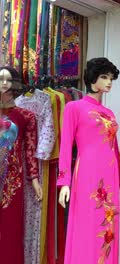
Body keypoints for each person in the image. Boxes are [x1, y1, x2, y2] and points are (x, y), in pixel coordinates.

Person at [57, 57, 120, 264]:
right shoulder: (74, 108)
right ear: (93, 79)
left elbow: (114, 148)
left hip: (109, 177)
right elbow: (66, 145)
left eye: (111, 78)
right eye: (104, 77)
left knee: (107, 225)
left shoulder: (110, 113)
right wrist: (64, 182)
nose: (109, 82)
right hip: (87, 174)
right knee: (87, 224)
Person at [0, 66, 41, 264]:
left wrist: (34, 179)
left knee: (11, 228)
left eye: (9, 80)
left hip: (12, 182)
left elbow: (30, 150)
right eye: (1, 79)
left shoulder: (26, 116)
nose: (5, 84)